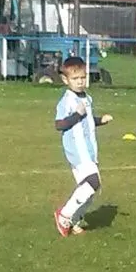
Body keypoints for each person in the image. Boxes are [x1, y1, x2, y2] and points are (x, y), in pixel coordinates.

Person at [53, 56, 113, 237]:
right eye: (75, 78)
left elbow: (87, 121)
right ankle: (64, 215)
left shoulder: (87, 98)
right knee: (93, 182)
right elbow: (59, 124)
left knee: (90, 190)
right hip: (77, 151)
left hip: (89, 150)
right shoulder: (67, 101)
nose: (80, 82)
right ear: (66, 80)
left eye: (82, 77)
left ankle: (74, 220)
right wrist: (76, 116)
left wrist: (100, 120)